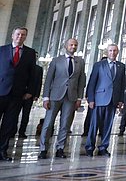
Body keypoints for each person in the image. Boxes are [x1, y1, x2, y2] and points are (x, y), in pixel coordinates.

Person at [38, 38, 85, 159]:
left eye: (75, 45)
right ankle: (43, 148)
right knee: (48, 123)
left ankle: (60, 148)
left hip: (71, 97)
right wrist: (45, 97)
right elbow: (48, 79)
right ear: (66, 46)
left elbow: (81, 81)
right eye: (71, 45)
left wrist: (80, 98)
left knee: (65, 124)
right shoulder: (56, 60)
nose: (73, 47)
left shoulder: (80, 61)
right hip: (55, 96)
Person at [0, 27, 39, 162]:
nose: (20, 37)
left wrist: (30, 91)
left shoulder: (29, 53)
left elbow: (33, 74)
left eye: (23, 35)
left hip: (17, 94)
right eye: (18, 34)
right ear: (12, 35)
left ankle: (2, 151)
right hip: (1, 91)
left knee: (9, 124)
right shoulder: (2, 50)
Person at [84, 43, 125, 157]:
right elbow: (92, 82)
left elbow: (122, 85)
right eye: (111, 50)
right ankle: (89, 147)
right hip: (99, 99)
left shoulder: (121, 66)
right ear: (107, 52)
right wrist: (91, 98)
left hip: (113, 100)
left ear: (118, 52)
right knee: (94, 125)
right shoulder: (99, 65)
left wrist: (121, 100)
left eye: (115, 51)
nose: (113, 53)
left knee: (108, 125)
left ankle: (103, 147)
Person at [17, 64, 42, 139]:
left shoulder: (38, 69)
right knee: (14, 114)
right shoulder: (21, 66)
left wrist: (36, 94)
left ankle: (22, 131)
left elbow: (39, 82)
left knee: (26, 114)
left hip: (30, 95)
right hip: (19, 94)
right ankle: (12, 131)